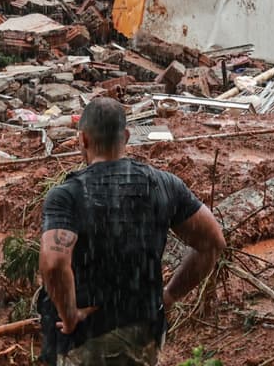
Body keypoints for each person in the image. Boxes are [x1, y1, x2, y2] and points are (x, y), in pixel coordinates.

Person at [38, 97, 226, 366]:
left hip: (87, 338)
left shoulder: (67, 196)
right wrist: (170, 295)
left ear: (83, 140)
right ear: (126, 136)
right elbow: (213, 242)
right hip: (143, 330)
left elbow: (54, 263)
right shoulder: (164, 184)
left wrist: (69, 316)